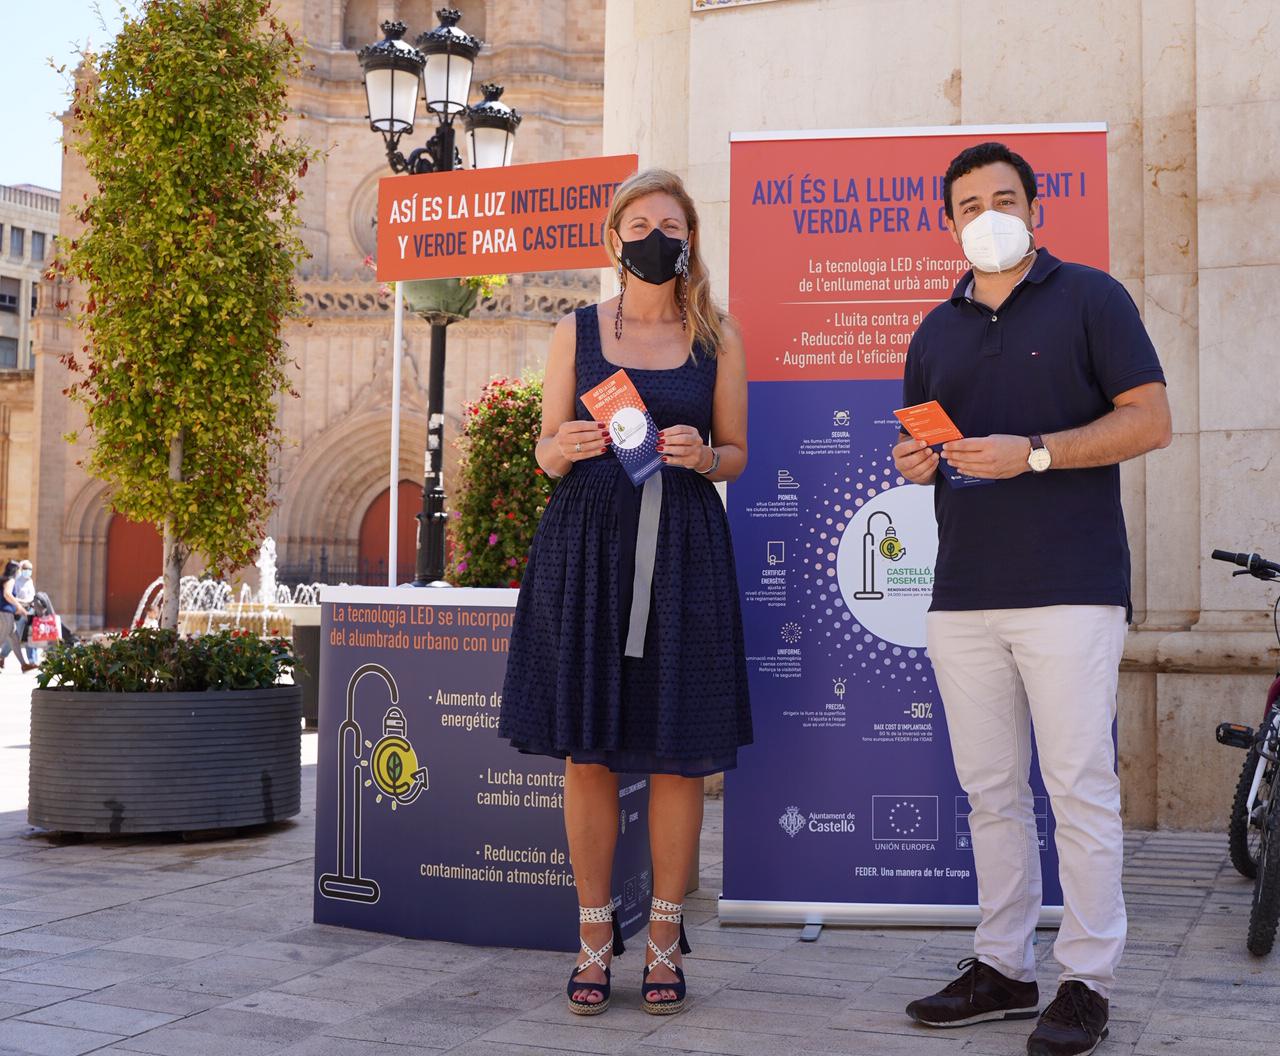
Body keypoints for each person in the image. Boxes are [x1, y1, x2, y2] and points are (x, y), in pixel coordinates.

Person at [893, 142, 1171, 1056]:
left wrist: (1038, 451)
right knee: (990, 795)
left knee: (1079, 788)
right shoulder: (934, 328)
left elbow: (1149, 419)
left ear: (1036, 208)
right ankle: (1004, 968)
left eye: (1003, 197)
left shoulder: (1094, 297)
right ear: (949, 221)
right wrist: (916, 460)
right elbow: (922, 441)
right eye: (968, 203)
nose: (987, 214)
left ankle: (1087, 979)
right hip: (963, 590)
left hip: (1070, 586)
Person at [499, 168, 751, 1017]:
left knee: (679, 749)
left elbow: (738, 453)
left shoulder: (717, 335)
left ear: (689, 240)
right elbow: (544, 449)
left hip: (683, 550)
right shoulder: (576, 329)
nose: (653, 233)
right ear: (614, 238)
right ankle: (595, 935)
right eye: (638, 221)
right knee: (590, 749)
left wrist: (702, 454)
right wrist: (562, 443)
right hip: (589, 547)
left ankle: (667, 939)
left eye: (668, 222)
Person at [0, 560, 37, 673]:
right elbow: (7, 594)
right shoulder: (10, 580)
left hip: (7, 613)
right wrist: (19, 607)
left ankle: (23, 665)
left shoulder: (4, 579)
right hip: (5, 613)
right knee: (1, 638)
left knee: (15, 640)